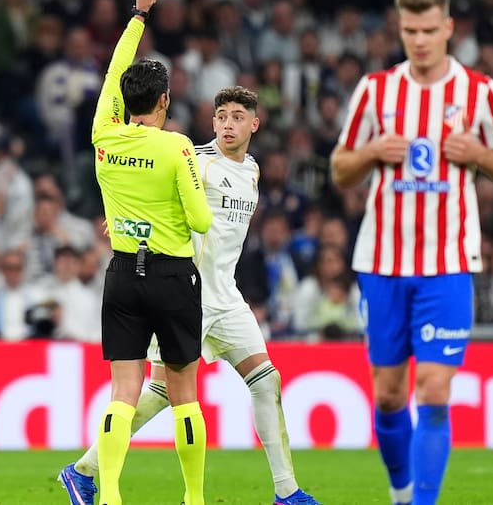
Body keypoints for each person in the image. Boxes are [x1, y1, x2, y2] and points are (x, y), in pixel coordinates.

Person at [61, 86, 323, 505]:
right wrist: (123, 218)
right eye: (222, 116)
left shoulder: (252, 171)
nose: (228, 124)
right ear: (213, 122)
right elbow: (146, 186)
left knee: (266, 380)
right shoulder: (195, 160)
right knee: (164, 391)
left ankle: (287, 492)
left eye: (238, 117)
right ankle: (84, 470)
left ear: (255, 124)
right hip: (185, 292)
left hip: (227, 296)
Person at [330, 0, 493, 505]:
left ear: (448, 29)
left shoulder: (479, 92)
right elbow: (341, 169)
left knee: (434, 390)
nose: (419, 40)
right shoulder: (375, 90)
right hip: (382, 263)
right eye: (410, 31)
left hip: (448, 263)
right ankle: (401, 492)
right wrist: (372, 151)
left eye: (428, 30)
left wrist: (479, 155)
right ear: (400, 30)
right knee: (389, 394)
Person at [65, 0, 212, 505]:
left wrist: (137, 15)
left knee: (122, 393)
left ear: (125, 101)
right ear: (165, 100)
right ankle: (193, 498)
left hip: (124, 274)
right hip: (172, 275)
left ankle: (108, 494)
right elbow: (200, 220)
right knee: (184, 396)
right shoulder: (177, 147)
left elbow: (112, 75)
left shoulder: (104, 137)